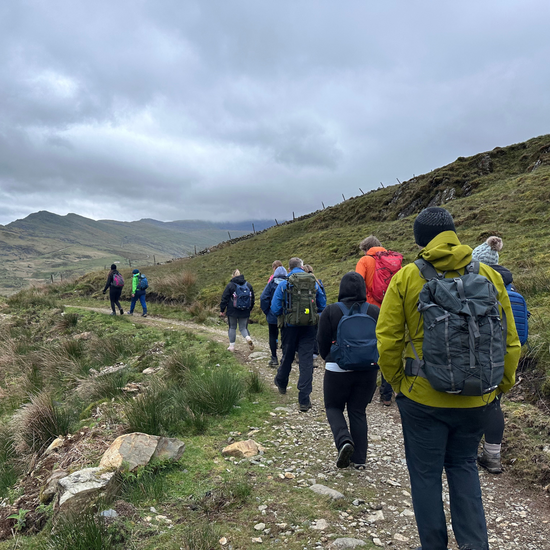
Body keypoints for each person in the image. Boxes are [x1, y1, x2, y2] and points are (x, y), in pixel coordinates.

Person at [376, 207, 520, 550]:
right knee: (464, 467)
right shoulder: (489, 274)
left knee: (425, 476)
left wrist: (400, 385)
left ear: (420, 241)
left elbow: (388, 340)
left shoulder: (408, 277)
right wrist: (498, 386)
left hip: (422, 399)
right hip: (478, 399)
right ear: (454, 233)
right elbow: (510, 341)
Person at [317, 272, 379, 470]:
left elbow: (322, 344)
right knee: (358, 411)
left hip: (337, 368)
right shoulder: (374, 311)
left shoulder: (331, 311)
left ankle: (344, 440)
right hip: (368, 370)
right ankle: (360, 459)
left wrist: (331, 358)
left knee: (333, 407)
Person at [471, 236, 509, 474]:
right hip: (504, 357)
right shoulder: (508, 285)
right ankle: (493, 456)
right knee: (494, 403)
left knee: (477, 403)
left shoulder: (477, 286)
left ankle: (467, 450)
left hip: (481, 356)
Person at [271, 257, 326, 412]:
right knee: (306, 360)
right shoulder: (313, 283)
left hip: (289, 327)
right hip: (309, 327)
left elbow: (275, 308)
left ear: (289, 269)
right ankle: (304, 399)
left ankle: (281, 382)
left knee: (287, 355)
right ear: (302, 267)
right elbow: (322, 305)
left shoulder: (284, 284)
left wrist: (285, 314)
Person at [355, 236, 393, 406]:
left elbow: (357, 284)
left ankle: (366, 390)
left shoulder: (364, 260)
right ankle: (386, 394)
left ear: (366, 249)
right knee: (387, 348)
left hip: (370, 309)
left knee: (368, 347)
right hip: (390, 309)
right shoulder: (392, 260)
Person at [220, 269, 255, 352]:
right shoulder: (248, 285)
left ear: (233, 276)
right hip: (245, 310)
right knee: (243, 328)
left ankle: (231, 347)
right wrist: (250, 309)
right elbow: (252, 299)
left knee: (232, 327)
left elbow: (224, 298)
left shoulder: (230, 285)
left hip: (232, 310)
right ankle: (248, 338)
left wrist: (222, 310)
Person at [260, 265, 288, 366]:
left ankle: (274, 357)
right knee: (285, 336)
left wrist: (267, 311)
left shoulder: (271, 284)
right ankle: (285, 358)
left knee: (272, 336)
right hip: (286, 316)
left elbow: (263, 298)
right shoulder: (289, 283)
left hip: (273, 315)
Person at [303, 264, 325, 361]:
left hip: (307, 312)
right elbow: (322, 300)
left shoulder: (305, 284)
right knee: (316, 333)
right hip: (318, 312)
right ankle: (316, 353)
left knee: (307, 333)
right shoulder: (318, 283)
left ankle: (307, 353)